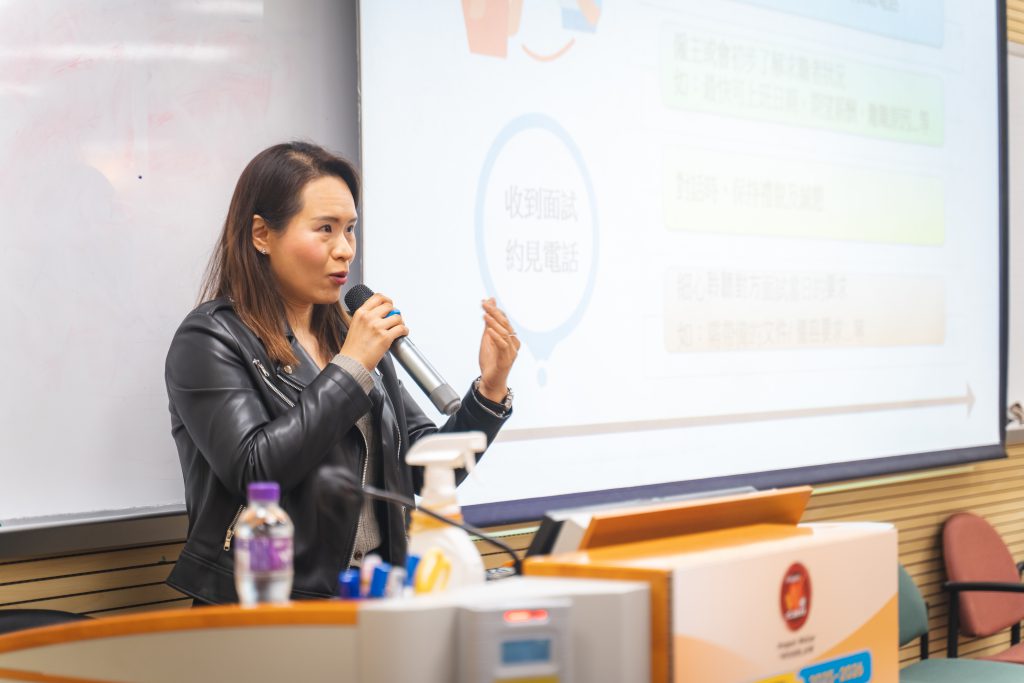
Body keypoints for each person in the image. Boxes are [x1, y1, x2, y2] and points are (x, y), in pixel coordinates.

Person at [164, 141, 519, 604]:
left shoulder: (349, 335)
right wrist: (351, 368)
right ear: (262, 235)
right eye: (325, 229)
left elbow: (424, 472)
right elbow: (256, 472)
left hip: (375, 595)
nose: (345, 250)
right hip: (268, 604)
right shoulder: (211, 338)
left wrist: (489, 392)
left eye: (350, 229)